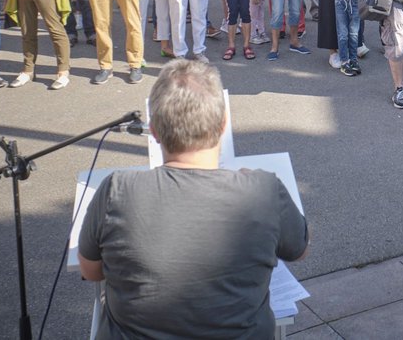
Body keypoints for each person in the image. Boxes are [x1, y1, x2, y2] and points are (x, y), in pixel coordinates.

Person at [77, 59, 309, 339]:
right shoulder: (264, 190)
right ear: (223, 124)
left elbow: (90, 271)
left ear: (154, 130)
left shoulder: (116, 190)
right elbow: (299, 250)